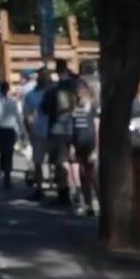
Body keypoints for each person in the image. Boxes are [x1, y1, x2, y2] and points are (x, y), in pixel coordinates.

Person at [46, 59, 82, 208]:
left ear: (57, 71)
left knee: (62, 161)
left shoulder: (54, 89)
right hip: (76, 126)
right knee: (75, 161)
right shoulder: (77, 85)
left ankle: (64, 193)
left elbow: (45, 108)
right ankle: (79, 190)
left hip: (59, 128)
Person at [69, 66, 100, 217]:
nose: (79, 94)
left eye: (81, 91)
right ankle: (88, 204)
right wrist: (72, 146)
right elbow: (72, 128)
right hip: (78, 144)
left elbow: (97, 128)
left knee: (93, 174)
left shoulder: (92, 108)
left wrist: (96, 148)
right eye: (77, 92)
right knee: (82, 175)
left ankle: (99, 201)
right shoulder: (75, 109)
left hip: (90, 144)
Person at [22, 70, 51, 199]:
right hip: (53, 131)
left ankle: (39, 189)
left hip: (38, 131)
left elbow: (28, 116)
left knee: (38, 162)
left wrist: (30, 132)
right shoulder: (53, 93)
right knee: (58, 162)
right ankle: (62, 189)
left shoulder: (31, 95)